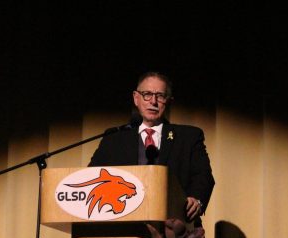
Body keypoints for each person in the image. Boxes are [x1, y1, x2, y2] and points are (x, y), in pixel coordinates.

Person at [89, 71, 215, 225]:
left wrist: (197, 200)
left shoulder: (189, 137)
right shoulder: (114, 138)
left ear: (168, 101)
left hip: (176, 228)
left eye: (160, 96)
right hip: (124, 226)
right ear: (136, 98)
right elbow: (93, 176)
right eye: (147, 94)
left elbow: (203, 176)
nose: (153, 101)